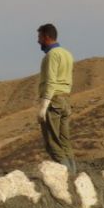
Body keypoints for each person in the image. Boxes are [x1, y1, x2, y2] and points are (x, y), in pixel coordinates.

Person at [36, 23, 76, 173]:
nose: (38, 41)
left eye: (39, 37)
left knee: (53, 143)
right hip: (65, 100)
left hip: (54, 101)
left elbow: (51, 81)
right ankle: (74, 176)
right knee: (65, 143)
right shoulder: (67, 54)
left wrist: (44, 106)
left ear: (47, 37)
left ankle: (66, 179)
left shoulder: (52, 55)